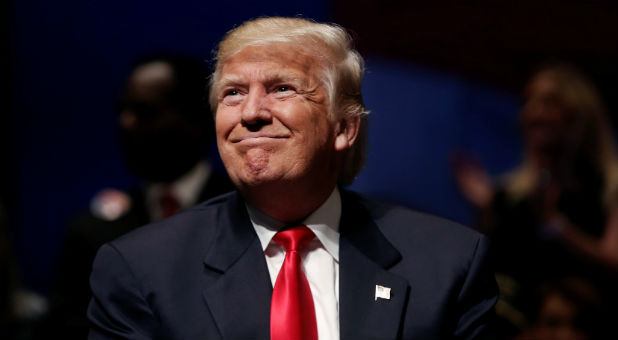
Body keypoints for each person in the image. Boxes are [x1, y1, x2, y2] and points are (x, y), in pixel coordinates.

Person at [87, 17, 498, 339]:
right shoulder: (142, 270)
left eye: (281, 88)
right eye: (232, 93)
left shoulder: (448, 264)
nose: (250, 113)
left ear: (343, 128)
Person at [40, 55, 234, 338]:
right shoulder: (92, 230)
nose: (126, 124)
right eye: (123, 111)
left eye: (145, 111)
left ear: (196, 119)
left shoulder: (248, 210)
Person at [453, 62, 618, 337]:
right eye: (529, 102)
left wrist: (555, 225)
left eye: (549, 102)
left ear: (579, 116)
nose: (534, 113)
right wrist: (486, 207)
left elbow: (612, 258)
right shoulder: (509, 194)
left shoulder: (609, 187)